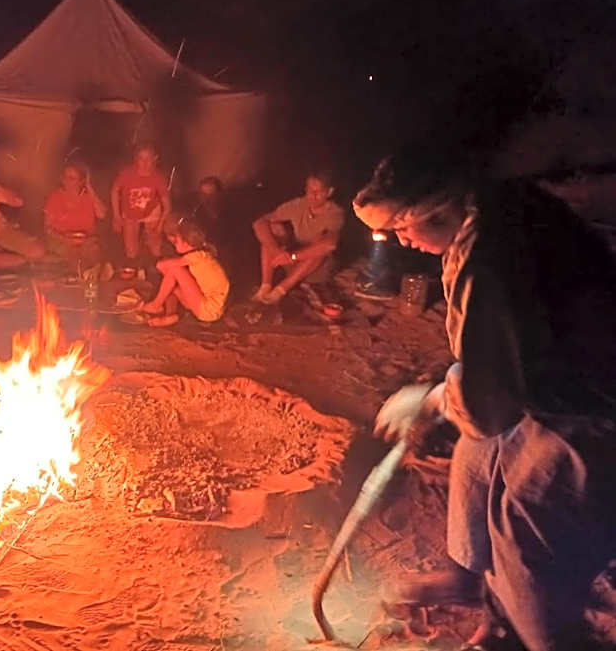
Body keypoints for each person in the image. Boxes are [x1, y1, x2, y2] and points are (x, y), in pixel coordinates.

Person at [354, 147, 616, 651]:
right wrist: (442, 391)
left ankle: (541, 636)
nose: (402, 241)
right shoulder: (486, 208)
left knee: (528, 533)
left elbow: (489, 403)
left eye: (403, 229)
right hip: (555, 384)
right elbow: (490, 370)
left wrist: (433, 400)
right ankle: (478, 590)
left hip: (594, 407)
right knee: (475, 462)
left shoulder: (488, 253)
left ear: (436, 210)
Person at [251, 172, 344, 304]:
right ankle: (265, 287)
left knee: (320, 245)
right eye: (310, 190)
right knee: (272, 231)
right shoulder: (299, 204)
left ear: (329, 192)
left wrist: (293, 256)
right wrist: (276, 250)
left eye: (318, 192)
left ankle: (280, 290)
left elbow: (330, 245)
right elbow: (260, 223)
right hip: (290, 263)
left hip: (316, 271)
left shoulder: (335, 213)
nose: (313, 196)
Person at [140, 215, 230, 327]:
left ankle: (156, 304)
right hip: (209, 306)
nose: (174, 244)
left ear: (186, 244)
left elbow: (161, 265)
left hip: (208, 309)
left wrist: (159, 262)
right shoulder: (203, 254)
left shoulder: (195, 257)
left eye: (176, 241)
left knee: (174, 271)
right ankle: (172, 315)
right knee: (170, 282)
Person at [110, 143, 170, 269]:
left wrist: (160, 225)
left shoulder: (158, 177)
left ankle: (157, 267)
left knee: (155, 244)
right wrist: (116, 216)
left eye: (148, 159)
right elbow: (115, 191)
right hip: (130, 211)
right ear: (136, 159)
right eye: (141, 158)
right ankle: (134, 269)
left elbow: (167, 206)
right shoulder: (127, 173)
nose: (144, 163)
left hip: (151, 211)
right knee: (131, 249)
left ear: (155, 159)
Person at [43, 162, 107, 266]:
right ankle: (79, 278)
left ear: (81, 181)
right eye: (65, 177)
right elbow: (47, 228)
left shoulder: (88, 197)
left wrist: (89, 187)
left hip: (86, 239)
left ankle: (93, 277)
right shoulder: (55, 197)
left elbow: (102, 215)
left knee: (93, 251)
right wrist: (65, 239)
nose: (67, 181)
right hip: (61, 239)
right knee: (73, 255)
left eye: (72, 178)